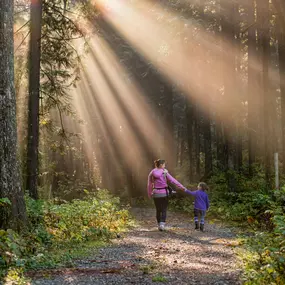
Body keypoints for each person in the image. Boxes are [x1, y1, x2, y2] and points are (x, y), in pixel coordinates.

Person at [147, 159, 186, 231]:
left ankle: (159, 225)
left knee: (158, 210)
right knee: (164, 209)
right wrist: (182, 187)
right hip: (164, 193)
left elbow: (149, 184)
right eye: (164, 164)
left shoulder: (152, 172)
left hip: (156, 193)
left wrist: (149, 193)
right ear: (161, 165)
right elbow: (173, 180)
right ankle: (162, 225)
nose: (165, 166)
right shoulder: (164, 172)